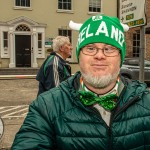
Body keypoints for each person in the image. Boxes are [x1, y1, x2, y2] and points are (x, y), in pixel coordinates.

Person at [11, 14, 150, 150]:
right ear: (79, 55)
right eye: (90, 48)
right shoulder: (46, 107)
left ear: (121, 57)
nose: (99, 55)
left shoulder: (146, 102)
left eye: (109, 48)